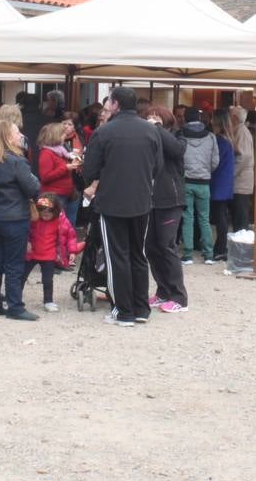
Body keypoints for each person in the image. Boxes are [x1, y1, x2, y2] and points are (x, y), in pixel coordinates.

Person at [80, 86, 162, 328]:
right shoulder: (150, 130)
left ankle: (123, 310)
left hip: (112, 202)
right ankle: (140, 308)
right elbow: (157, 167)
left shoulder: (104, 132)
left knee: (117, 256)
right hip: (141, 201)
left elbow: (90, 171)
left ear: (115, 104)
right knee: (138, 254)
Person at [0, 120, 41, 320]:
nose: (20, 135)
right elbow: (33, 188)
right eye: (16, 132)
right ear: (8, 137)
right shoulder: (17, 161)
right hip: (14, 217)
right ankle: (15, 306)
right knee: (14, 264)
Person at [141, 104, 189, 313]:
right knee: (151, 247)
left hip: (170, 200)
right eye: (149, 116)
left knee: (166, 245)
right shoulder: (146, 139)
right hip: (148, 200)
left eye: (156, 116)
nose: (152, 119)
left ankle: (179, 296)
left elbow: (177, 151)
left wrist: (158, 129)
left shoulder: (178, 136)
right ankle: (163, 291)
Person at [23, 192, 82, 312]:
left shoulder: (61, 221)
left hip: (49, 255)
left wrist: (72, 252)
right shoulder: (33, 219)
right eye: (42, 211)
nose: (45, 214)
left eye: (48, 211)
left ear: (55, 211)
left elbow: (71, 236)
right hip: (32, 253)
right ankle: (15, 298)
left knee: (48, 280)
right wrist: (26, 242)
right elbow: (24, 231)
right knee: (21, 277)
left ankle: (48, 301)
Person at [178, 107, 219, 265]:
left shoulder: (181, 135)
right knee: (204, 218)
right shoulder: (210, 137)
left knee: (187, 217)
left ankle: (188, 254)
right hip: (204, 182)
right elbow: (215, 160)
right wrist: (206, 171)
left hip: (186, 181)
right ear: (200, 118)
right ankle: (208, 254)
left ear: (186, 119)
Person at [208, 109, 236, 262]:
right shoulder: (228, 140)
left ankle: (220, 248)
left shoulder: (219, 140)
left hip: (218, 182)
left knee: (220, 217)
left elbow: (214, 162)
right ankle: (220, 246)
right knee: (222, 216)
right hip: (225, 182)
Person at [229, 106, 255, 234]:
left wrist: (230, 174)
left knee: (240, 217)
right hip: (240, 181)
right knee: (238, 216)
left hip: (241, 182)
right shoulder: (239, 131)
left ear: (234, 118)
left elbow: (243, 157)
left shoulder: (242, 132)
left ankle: (241, 246)